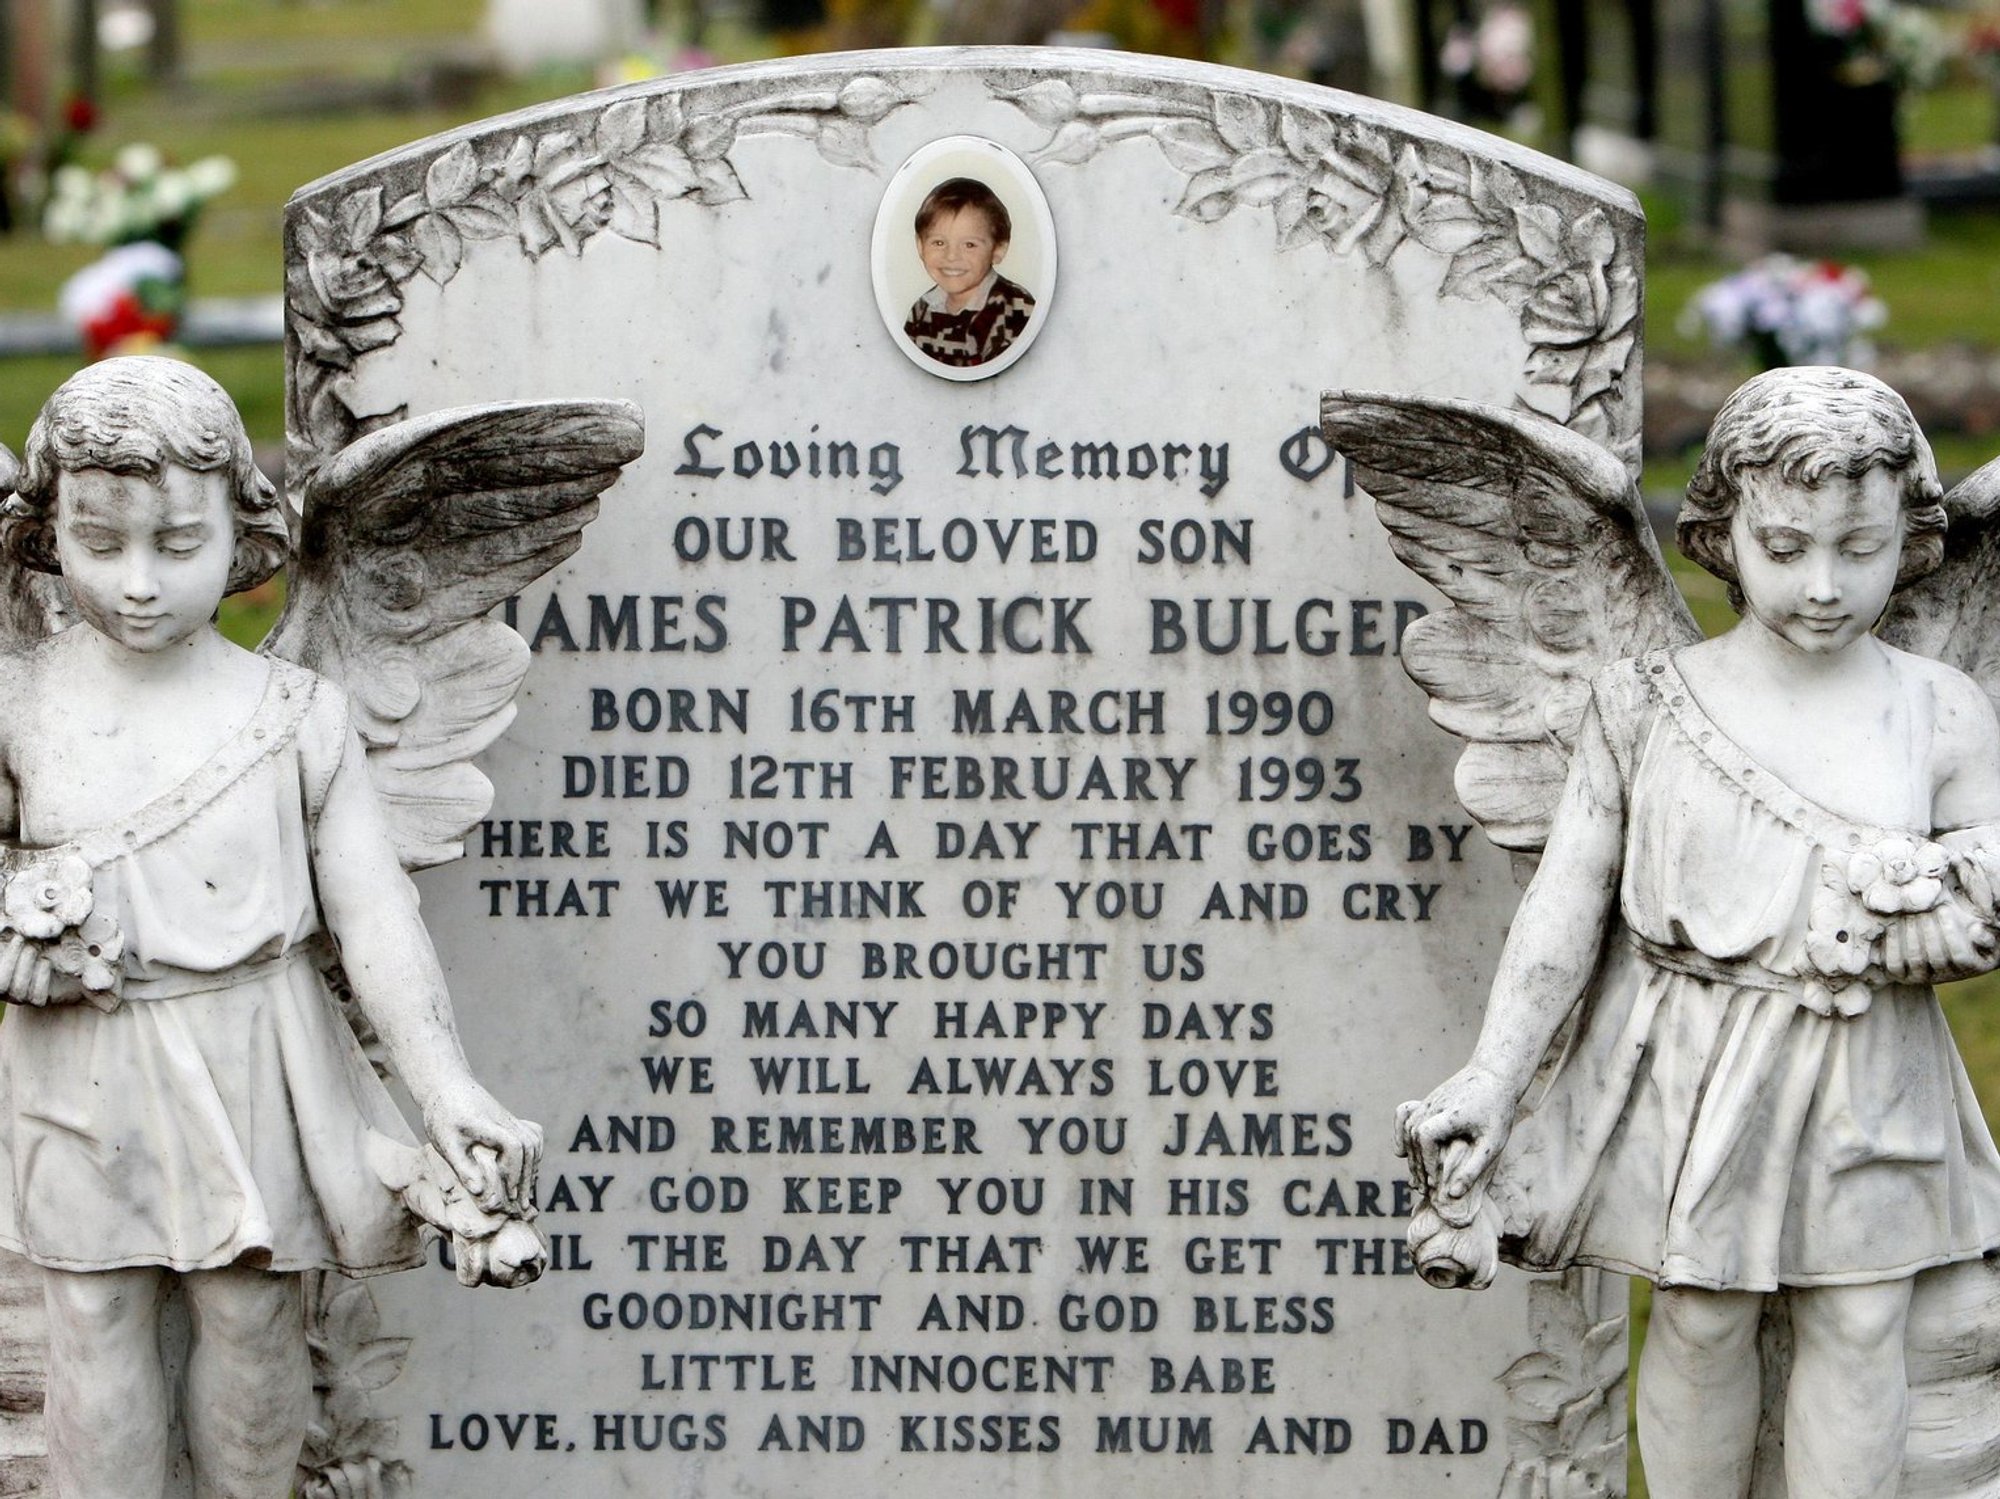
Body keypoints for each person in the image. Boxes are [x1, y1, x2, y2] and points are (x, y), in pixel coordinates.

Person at [1398, 367, 2000, 1499]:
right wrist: (1490, 1076)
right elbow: (1564, 908)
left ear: (1908, 540)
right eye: (1785, 546)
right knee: (1700, 1316)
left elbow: (1988, 875)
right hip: (1694, 1059)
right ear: (1720, 536)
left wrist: (1943, 899)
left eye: (1857, 548)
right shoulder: (1641, 703)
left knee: (1865, 1315)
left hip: (1870, 1063)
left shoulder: (1941, 708)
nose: (1822, 585)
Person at [0, 359, 542, 1499]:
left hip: (257, 1049)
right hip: (81, 1060)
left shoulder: (296, 714)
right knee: (91, 1312)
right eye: (102, 542)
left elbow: (371, 911)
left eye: (177, 542)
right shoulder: (23, 706)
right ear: (50, 533)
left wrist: (446, 1090)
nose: (139, 582)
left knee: (249, 1318)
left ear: (243, 530)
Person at [903, 177, 1035, 368]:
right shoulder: (921, 310)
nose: (951, 256)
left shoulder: (1014, 310)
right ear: (920, 246)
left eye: (969, 245)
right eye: (939, 243)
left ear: (998, 250)